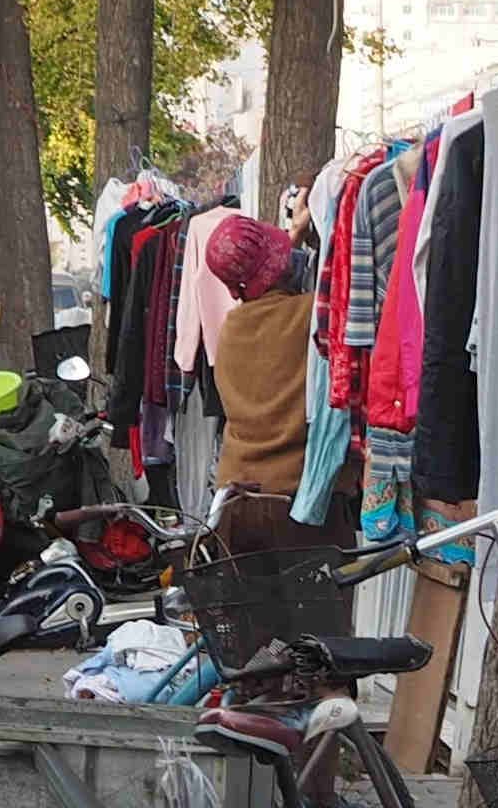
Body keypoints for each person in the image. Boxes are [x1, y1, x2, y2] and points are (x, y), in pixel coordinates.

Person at [205, 214, 358, 808]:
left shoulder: (231, 328)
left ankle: (258, 789)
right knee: (325, 660)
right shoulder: (308, 318)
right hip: (302, 510)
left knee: (259, 664)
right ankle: (317, 791)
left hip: (236, 509)